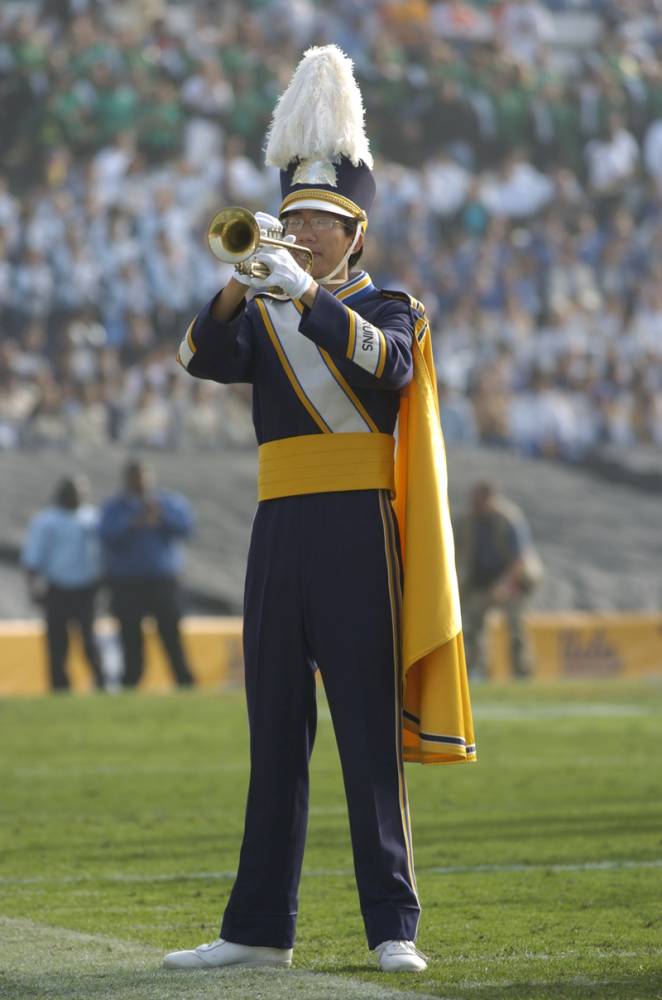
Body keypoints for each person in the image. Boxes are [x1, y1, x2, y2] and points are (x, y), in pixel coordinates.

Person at [165, 45, 475, 976]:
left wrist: (301, 293)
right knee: (275, 731)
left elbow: (390, 369)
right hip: (279, 529)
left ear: (353, 232)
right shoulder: (260, 311)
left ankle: (393, 927)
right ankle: (260, 929)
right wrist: (244, 275)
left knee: (366, 734)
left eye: (314, 221)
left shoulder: (392, 304)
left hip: (356, 527)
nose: (297, 231)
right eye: (289, 218)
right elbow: (195, 358)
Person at [98, 459, 195, 689]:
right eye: (135, 476)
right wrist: (135, 522)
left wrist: (161, 516)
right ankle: (132, 681)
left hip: (163, 581)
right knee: (130, 634)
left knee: (170, 631)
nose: (140, 481)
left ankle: (184, 680)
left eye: (144, 476)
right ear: (127, 479)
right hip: (127, 582)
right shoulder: (115, 507)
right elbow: (106, 534)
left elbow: (187, 528)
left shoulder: (168, 502)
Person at [21, 475, 104, 692]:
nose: (77, 496)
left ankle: (102, 683)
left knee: (89, 640)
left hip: (87, 587)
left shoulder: (92, 518)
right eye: (72, 491)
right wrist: (33, 588)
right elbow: (33, 558)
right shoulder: (46, 521)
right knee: (58, 642)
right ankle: (60, 686)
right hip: (58, 587)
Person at [455, 480, 542, 680]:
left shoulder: (508, 519)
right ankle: (475, 671)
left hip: (512, 581)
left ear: (490, 499)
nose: (475, 505)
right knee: (471, 624)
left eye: (479, 500)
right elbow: (457, 551)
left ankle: (521, 672)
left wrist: (504, 586)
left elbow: (519, 560)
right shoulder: (466, 521)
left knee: (516, 625)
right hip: (480, 581)